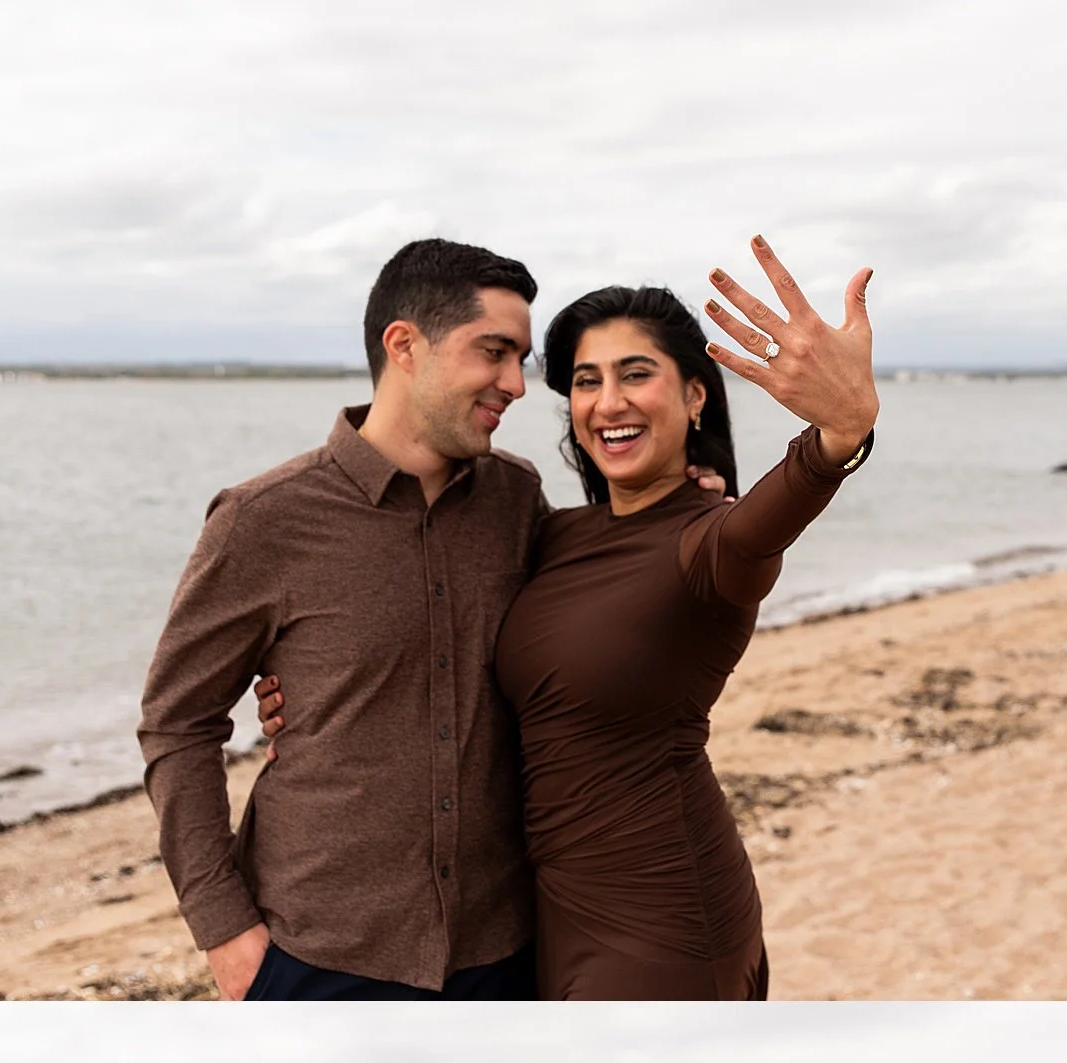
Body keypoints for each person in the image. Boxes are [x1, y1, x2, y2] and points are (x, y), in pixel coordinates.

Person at [261, 239, 879, 1000]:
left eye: (636, 374)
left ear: (695, 397)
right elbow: (446, 615)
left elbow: (773, 513)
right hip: (541, 917)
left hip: (665, 917)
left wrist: (842, 435)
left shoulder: (713, 541)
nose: (607, 401)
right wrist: (312, 680)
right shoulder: (554, 534)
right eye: (586, 381)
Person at [140, 237, 724, 1003]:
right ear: (404, 345)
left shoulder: (517, 500)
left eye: (521, 358)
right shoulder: (263, 521)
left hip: (503, 947)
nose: (517, 384)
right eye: (495, 352)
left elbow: (593, 608)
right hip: (317, 950)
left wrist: (681, 505)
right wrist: (224, 931)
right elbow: (178, 724)